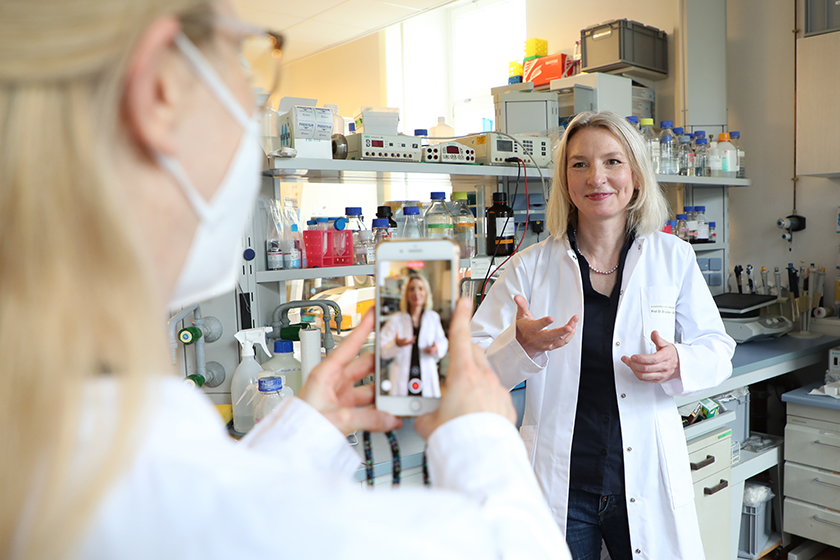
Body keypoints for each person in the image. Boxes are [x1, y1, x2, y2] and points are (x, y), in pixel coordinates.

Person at [0, 1, 571, 558]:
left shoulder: (56, 431)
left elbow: (227, 515)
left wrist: (303, 435)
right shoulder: (164, 483)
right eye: (244, 56)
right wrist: (483, 435)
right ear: (159, 92)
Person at [470, 111, 737, 560]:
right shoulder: (529, 268)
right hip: (561, 482)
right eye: (580, 164)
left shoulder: (673, 258)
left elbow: (717, 349)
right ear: (565, 179)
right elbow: (472, 366)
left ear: (634, 173)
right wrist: (521, 348)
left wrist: (677, 361)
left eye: (613, 161)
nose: (597, 177)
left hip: (644, 475)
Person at [379, 274, 448, 397]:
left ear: (426, 293)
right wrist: (396, 344)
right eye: (412, 289)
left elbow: (443, 342)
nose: (416, 292)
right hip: (402, 376)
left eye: (420, 288)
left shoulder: (433, 318)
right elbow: (382, 350)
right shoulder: (396, 320)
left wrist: (436, 348)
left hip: (427, 374)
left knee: (427, 413)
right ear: (406, 293)